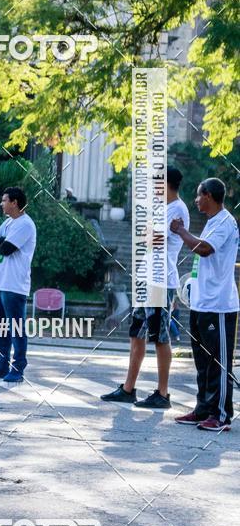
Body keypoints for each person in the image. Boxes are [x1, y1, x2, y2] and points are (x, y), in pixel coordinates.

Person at [101, 167, 189, 409]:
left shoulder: (177, 209)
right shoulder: (162, 209)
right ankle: (128, 388)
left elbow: (151, 239)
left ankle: (162, 393)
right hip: (146, 278)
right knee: (136, 332)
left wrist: (148, 230)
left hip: (161, 281)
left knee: (160, 336)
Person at [171, 178, 239, 431]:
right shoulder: (213, 222)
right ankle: (203, 409)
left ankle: (221, 415)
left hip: (219, 305)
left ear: (208, 195)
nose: (196, 200)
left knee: (219, 363)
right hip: (202, 302)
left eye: (198, 195)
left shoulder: (225, 222)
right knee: (202, 363)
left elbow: (204, 248)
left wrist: (181, 231)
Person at [0, 187, 37, 383]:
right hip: (0, 281)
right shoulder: (9, 222)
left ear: (15, 202)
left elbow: (5, 249)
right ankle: (1, 365)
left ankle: (18, 367)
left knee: (16, 327)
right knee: (1, 327)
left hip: (14, 284)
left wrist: (0, 241)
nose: (1, 204)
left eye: (4, 200)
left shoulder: (25, 225)